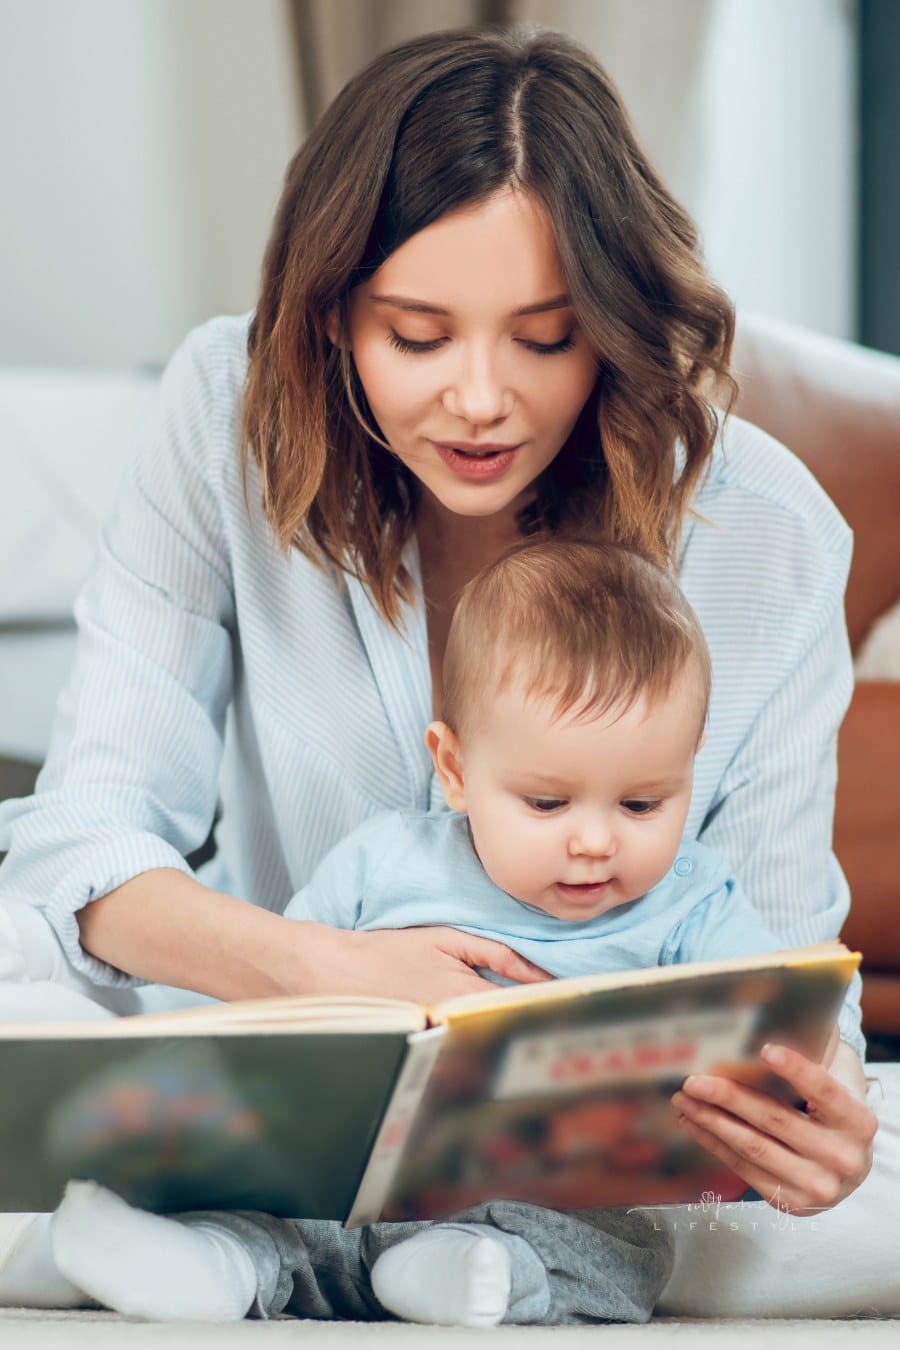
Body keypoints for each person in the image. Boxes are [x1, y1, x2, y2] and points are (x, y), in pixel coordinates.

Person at [0, 21, 889, 1323]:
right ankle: (211, 1235)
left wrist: (820, 1121)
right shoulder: (222, 412)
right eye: (416, 335)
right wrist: (322, 970)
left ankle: (125, 1245)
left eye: (544, 336)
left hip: (587, 1160)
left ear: (619, 324)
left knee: (852, 1199)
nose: (481, 400)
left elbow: (774, 976)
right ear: (331, 323)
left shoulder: (769, 536)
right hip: (271, 1064)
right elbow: (83, 837)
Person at [2, 540, 794, 1325]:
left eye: (642, 805)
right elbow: (276, 1011)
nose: (595, 842)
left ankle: (467, 1274)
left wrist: (795, 1075)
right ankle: (213, 1269)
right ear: (454, 770)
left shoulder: (696, 904)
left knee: (625, 1251)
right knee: (256, 1206)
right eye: (548, 805)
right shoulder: (385, 863)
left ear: (690, 769)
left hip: (546, 1198)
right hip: (343, 1181)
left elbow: (795, 1024)